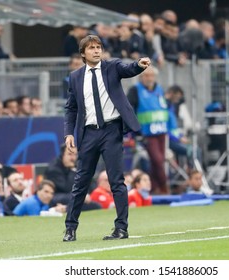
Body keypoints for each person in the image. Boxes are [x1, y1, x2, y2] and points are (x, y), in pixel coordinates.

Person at [62, 35, 150, 242]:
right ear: (83, 53)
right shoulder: (75, 77)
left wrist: (139, 65)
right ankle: (70, 228)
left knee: (117, 181)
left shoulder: (112, 66)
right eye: (91, 48)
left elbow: (128, 69)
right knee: (81, 182)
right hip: (89, 133)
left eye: (98, 47)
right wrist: (68, 133)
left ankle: (121, 228)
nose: (96, 51)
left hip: (111, 130)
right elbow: (71, 108)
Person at [127, 66, 170, 195]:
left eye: (151, 75)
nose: (149, 78)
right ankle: (164, 186)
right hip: (146, 133)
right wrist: (135, 132)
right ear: (141, 77)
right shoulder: (135, 90)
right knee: (157, 160)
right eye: (146, 75)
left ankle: (153, 188)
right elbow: (129, 110)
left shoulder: (159, 89)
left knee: (158, 162)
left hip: (161, 131)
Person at [44, 144, 101, 211]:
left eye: (75, 155)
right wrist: (72, 170)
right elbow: (67, 188)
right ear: (62, 155)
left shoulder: (77, 165)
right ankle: (65, 209)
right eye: (70, 154)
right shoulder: (54, 169)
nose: (73, 158)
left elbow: (91, 184)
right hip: (58, 197)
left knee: (96, 206)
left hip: (74, 196)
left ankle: (66, 209)